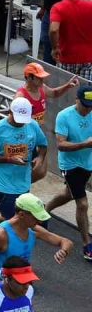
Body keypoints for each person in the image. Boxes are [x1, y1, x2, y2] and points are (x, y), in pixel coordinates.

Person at [0, 98, 49, 236]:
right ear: (10, 112)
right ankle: (1, 245)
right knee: (13, 221)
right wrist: (10, 159)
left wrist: (39, 158)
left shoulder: (32, 125)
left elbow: (43, 144)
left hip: (23, 182)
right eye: (18, 118)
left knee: (10, 216)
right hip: (4, 184)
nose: (21, 122)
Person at [0, 194, 71, 285]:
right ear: (22, 215)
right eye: (36, 217)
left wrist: (63, 251)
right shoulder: (1, 235)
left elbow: (66, 242)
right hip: (0, 292)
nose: (40, 221)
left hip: (20, 287)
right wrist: (0, 284)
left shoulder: (33, 230)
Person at [45, 84, 92, 258]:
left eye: (91, 106)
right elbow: (61, 145)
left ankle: (44, 211)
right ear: (76, 100)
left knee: (68, 193)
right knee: (82, 204)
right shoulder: (64, 116)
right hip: (70, 165)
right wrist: (85, 144)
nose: (88, 109)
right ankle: (87, 245)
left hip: (88, 162)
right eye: (85, 105)